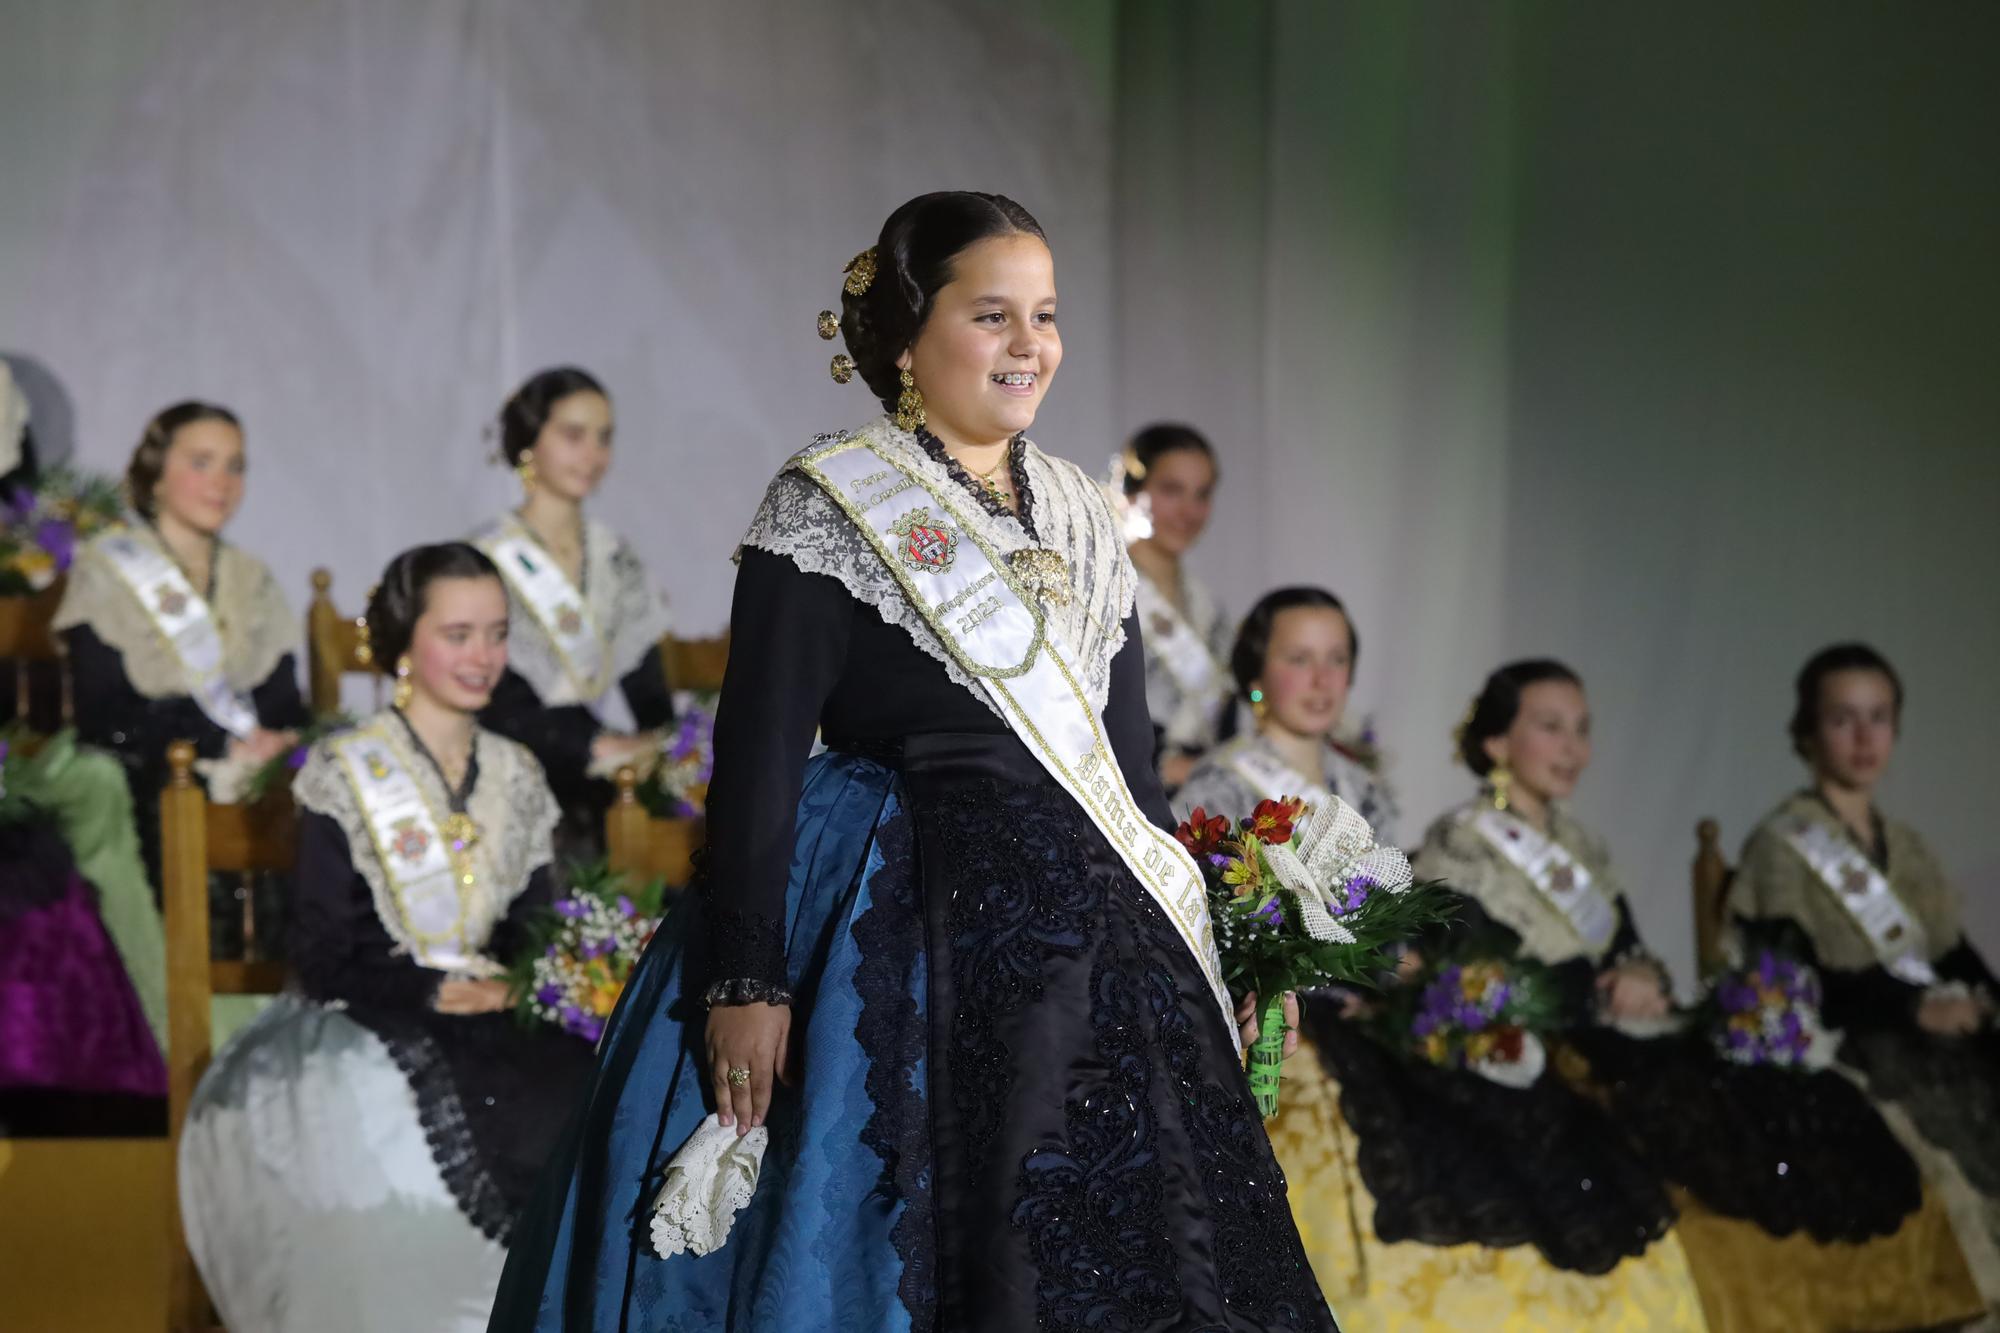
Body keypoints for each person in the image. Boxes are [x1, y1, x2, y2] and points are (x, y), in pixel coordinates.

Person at [491, 191, 1333, 1332]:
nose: (1029, 344)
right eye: (993, 315)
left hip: (1093, 931)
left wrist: (1195, 942)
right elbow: (756, 762)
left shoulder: (1087, 514)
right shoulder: (829, 501)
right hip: (899, 910)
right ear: (902, 337)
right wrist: (745, 978)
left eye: (1043, 315)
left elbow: (1126, 776)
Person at [1421, 659, 1979, 1331]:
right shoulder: (1461, 845)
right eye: (1550, 727)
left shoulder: (1581, 843)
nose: (1572, 748)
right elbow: (1483, 970)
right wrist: (1607, 987)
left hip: (1625, 1031)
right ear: (1496, 743)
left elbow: (1630, 948)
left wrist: (1644, 977)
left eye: (1582, 730)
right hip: (1544, 1045)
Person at [177, 543, 597, 1332]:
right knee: (373, 1112)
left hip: (495, 1014)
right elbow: (321, 949)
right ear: (405, 638)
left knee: (585, 1088)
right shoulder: (344, 767)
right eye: (459, 633)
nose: (484, 656)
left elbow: (535, 930)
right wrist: (433, 989)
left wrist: (526, 979)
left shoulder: (519, 772)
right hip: (366, 1010)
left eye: (497, 634)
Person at [1732, 642, 2000, 1312]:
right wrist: (1913, 1009)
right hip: (1850, 1045)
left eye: (1878, 717)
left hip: (1935, 1040)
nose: (1863, 736)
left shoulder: (1907, 846)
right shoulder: (1782, 843)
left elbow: (1951, 952)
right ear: (1807, 731)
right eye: (1842, 718)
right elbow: (1790, 977)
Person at [52, 401, 307, 1025]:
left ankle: (286, 1009)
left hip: (243, 775)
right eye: (202, 462)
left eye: (236, 466)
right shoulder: (109, 568)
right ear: (156, 473)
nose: (222, 483)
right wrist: (220, 746)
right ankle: (193, 1020)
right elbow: (104, 706)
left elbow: (280, 699)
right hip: (150, 769)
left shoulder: (253, 579)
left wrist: (263, 746)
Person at [470, 368, 674, 849]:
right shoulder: (484, 559)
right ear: (528, 440)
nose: (593, 455)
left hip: (606, 781)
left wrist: (665, 748)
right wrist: (588, 744)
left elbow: (647, 684)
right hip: (516, 777)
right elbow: (492, 697)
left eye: (604, 438)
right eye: (573, 435)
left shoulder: (615, 558)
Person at [1174, 587, 1395, 839]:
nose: (1322, 679)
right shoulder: (1217, 787)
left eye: (1337, 659)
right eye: (1299, 659)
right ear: (1257, 674)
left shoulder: (1366, 791)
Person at [1123, 423, 1231, 790]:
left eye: (1202, 494)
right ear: (1132, 489)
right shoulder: (1104, 591)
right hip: (1125, 797)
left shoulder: (1209, 610)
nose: (1190, 511)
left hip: (1198, 805)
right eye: (1172, 490)